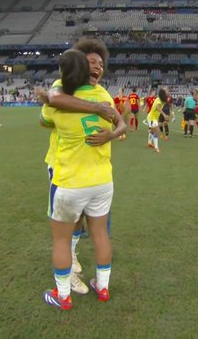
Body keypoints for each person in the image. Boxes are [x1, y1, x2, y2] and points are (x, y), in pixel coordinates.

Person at [41, 49, 126, 310]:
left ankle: (63, 296)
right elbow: (118, 122)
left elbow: (44, 119)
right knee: (101, 235)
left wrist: (45, 98)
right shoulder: (103, 98)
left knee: (61, 241)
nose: (98, 67)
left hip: (69, 182)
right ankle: (102, 288)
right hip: (102, 181)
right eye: (92, 63)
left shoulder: (59, 101)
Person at [146, 88, 170, 153]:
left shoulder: (162, 99)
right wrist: (164, 115)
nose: (168, 91)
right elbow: (158, 108)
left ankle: (149, 143)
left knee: (152, 131)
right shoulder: (159, 100)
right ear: (163, 94)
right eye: (166, 91)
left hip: (153, 118)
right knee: (156, 131)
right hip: (151, 118)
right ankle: (156, 148)